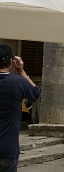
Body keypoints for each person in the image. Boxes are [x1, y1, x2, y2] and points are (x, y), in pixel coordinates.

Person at [0, 44, 41, 172]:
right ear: (11, 62)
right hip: (8, 149)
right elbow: (35, 93)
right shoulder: (19, 82)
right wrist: (21, 71)